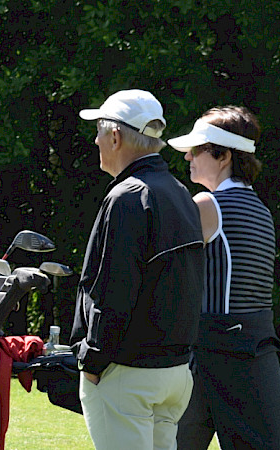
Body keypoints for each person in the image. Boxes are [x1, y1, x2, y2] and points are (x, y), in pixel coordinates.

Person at [70, 89, 206, 449]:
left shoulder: (128, 197)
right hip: (174, 372)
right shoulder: (179, 193)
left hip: (128, 372)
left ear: (115, 136)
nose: (96, 140)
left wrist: (93, 360)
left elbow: (115, 290)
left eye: (99, 131)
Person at [170, 106, 280, 449]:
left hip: (213, 354)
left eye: (197, 149)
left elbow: (164, 274)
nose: (189, 156)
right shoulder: (261, 209)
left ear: (223, 156)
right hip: (255, 353)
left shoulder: (206, 204)